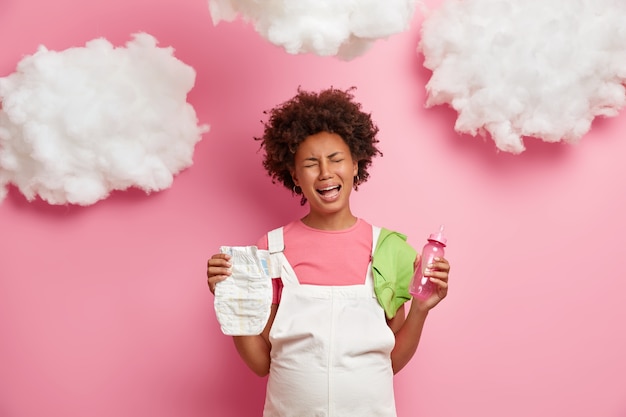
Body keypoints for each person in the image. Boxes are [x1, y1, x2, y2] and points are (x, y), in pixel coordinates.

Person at [206, 86, 450, 417]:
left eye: (336, 159)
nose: (325, 172)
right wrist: (232, 300)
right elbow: (261, 363)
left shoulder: (389, 249)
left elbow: (390, 362)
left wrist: (421, 309)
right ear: (294, 175)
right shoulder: (271, 249)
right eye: (310, 163)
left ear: (355, 165)